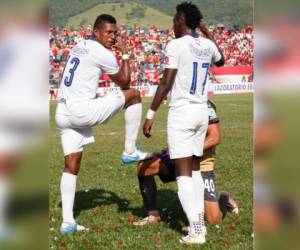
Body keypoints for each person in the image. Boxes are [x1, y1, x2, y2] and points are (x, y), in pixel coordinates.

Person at [55, 14, 151, 234]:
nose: (113, 36)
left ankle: (67, 222)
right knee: (134, 95)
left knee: (71, 165)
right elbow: (125, 81)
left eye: (115, 32)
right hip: (81, 111)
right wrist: (125, 51)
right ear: (95, 32)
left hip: (63, 112)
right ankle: (129, 150)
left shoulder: (80, 45)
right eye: (108, 32)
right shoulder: (102, 52)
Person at [143, 2, 224, 244]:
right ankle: (197, 225)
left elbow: (166, 83)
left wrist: (150, 113)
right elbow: (221, 62)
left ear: (183, 22)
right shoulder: (207, 44)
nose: (173, 24)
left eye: (175, 20)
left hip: (182, 113)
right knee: (196, 169)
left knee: (184, 174)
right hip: (201, 111)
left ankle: (198, 230)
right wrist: (206, 30)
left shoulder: (176, 45)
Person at [134, 100, 239, 228]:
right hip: (179, 159)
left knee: (213, 219)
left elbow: (215, 137)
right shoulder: (178, 102)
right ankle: (153, 215)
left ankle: (224, 198)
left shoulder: (205, 105)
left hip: (201, 164)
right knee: (145, 166)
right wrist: (165, 152)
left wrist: (187, 151)